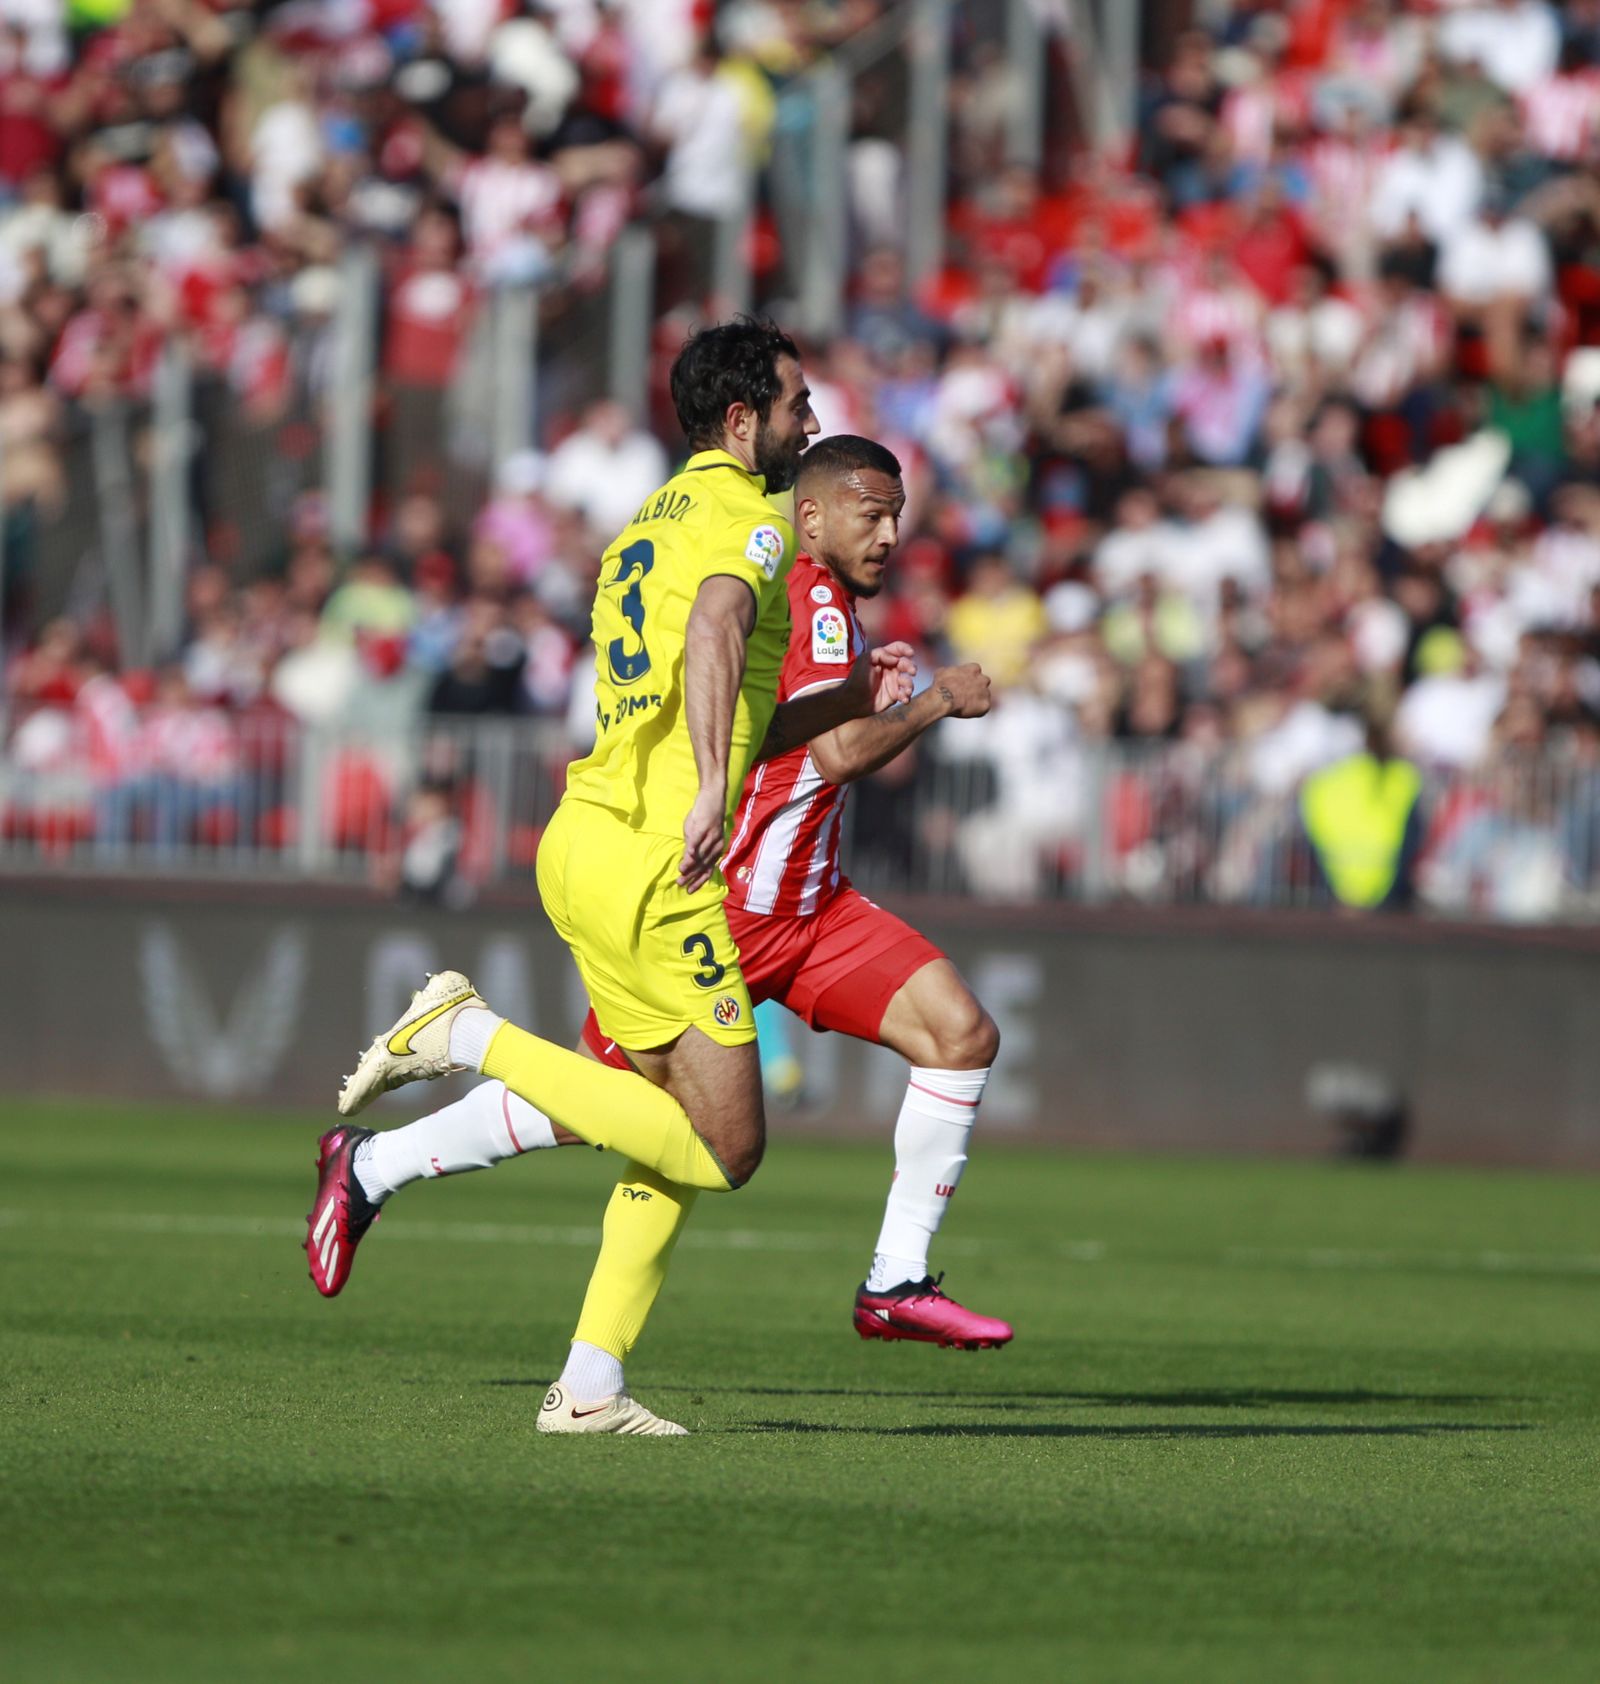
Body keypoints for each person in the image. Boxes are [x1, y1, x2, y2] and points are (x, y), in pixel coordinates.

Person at [306, 320, 913, 1437]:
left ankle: (588, 1383)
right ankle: (461, 1034)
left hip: (589, 833)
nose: (810, 424)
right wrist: (707, 799)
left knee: (654, 1120)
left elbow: (749, 701)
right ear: (743, 423)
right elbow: (721, 625)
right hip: (656, 860)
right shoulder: (752, 521)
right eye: (794, 405)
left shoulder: (650, 518)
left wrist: (851, 696)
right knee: (727, 1148)